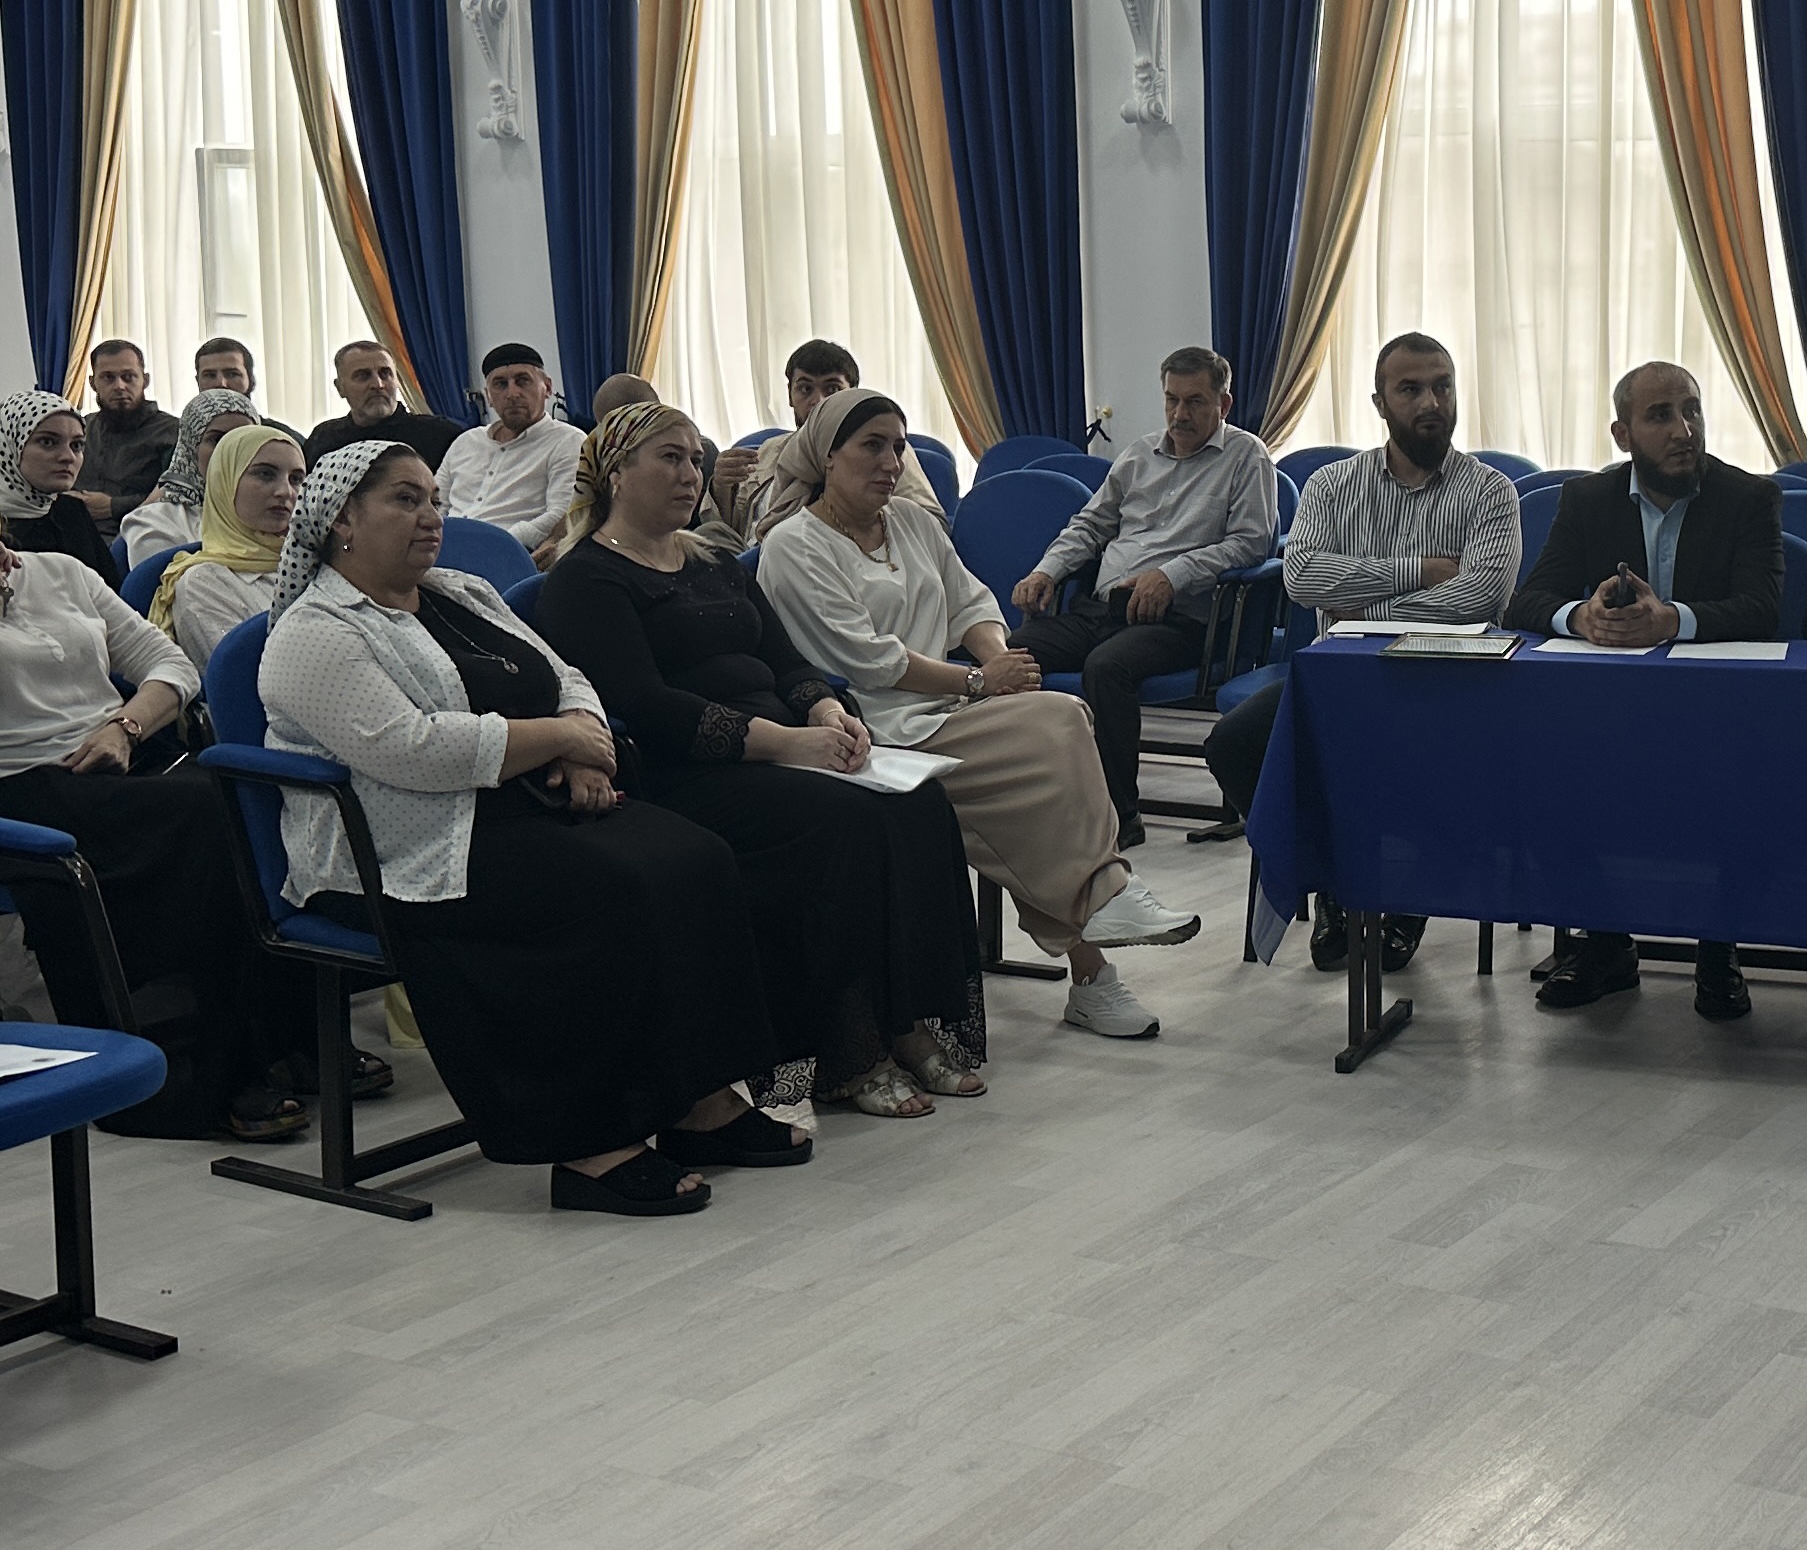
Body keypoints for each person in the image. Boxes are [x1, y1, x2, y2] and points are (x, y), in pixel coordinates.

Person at [261, 443, 813, 1215]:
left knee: (697, 859)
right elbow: (413, 749)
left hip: (519, 804)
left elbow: (566, 676)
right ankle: (592, 1145)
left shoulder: (462, 592)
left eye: (434, 500)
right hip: (405, 846)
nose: (431, 517)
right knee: (604, 890)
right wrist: (558, 740)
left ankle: (702, 1103)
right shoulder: (314, 632)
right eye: (405, 501)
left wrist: (581, 743)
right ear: (341, 522)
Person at [536, 402, 989, 1115]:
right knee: (844, 820)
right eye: (670, 459)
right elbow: (646, 705)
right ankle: (851, 1050)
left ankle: (908, 1019)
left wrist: (826, 711)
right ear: (616, 474)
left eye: (695, 459)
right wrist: (786, 743)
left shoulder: (712, 560)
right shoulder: (584, 579)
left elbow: (785, 659)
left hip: (780, 747)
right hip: (688, 772)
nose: (691, 475)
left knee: (919, 805)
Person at [0, 430, 312, 1141]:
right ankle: (215, 1072)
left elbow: (172, 666)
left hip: (115, 761)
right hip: (10, 783)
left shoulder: (63, 572)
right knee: (204, 814)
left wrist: (124, 729)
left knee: (238, 795)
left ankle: (282, 1039)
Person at [755, 387, 1202, 1041]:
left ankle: (1099, 942)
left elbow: (971, 603)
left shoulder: (910, 523)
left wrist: (1001, 668)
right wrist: (977, 681)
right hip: (866, 727)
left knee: (1055, 728)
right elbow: (868, 658)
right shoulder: (794, 545)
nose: (890, 462)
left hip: (942, 709)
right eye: (871, 446)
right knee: (1055, 735)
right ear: (826, 455)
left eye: (898, 447)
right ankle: (1101, 921)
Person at [1205, 332, 1520, 972]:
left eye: (1442, 386)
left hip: (1444, 681)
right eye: (1411, 389)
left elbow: (1480, 594)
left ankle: (1406, 896)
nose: (1431, 402)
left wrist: (1362, 610)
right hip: (1338, 680)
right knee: (1232, 744)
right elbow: (1303, 578)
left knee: (1409, 760)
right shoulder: (1332, 486)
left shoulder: (1490, 492)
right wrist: (1419, 571)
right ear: (1380, 403)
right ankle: (1333, 881)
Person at [1499, 362, 1783, 1019]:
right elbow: (1527, 601)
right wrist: (1581, 616)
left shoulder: (1749, 497)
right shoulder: (1587, 499)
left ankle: (1718, 947)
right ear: (1622, 435)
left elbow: (1762, 608)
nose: (1684, 430)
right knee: (1539, 775)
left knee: (1753, 781)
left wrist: (1671, 621)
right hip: (1611, 715)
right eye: (1660, 416)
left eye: (1692, 410)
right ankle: (1605, 943)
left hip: (1717, 712)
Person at [1013, 346, 1277, 846]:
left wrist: (1173, 574)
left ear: (1223, 404)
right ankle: (1031, 795)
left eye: (1195, 401)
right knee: (1011, 654)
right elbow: (1090, 525)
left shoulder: (1246, 457)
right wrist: (1047, 570)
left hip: (1180, 621)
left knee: (1107, 668)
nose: (1180, 414)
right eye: (1172, 400)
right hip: (1101, 608)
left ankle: (1120, 814)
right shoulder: (1138, 456)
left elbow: (1251, 543)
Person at [710, 339, 950, 538]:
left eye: (832, 389)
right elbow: (733, 529)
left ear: (853, 395)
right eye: (805, 389)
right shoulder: (769, 449)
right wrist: (721, 488)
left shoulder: (887, 451)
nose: (818, 401)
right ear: (790, 396)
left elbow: (932, 527)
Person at [150, 425, 304, 671]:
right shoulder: (204, 582)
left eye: (296, 479)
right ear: (225, 481)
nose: (285, 491)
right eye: (265, 474)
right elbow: (245, 678)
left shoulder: (309, 562)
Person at [437, 343, 589, 568]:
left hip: (509, 556)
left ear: (547, 387)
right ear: (488, 396)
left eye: (523, 381)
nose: (512, 394)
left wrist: (501, 542)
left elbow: (561, 513)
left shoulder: (567, 441)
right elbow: (435, 501)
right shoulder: (466, 441)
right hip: (442, 551)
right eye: (500, 384)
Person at [0, 391, 121, 587]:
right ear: (10, 445)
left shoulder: (71, 510)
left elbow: (111, 592)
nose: (68, 457)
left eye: (76, 445)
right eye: (48, 442)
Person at [116, 390, 261, 562]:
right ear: (190, 448)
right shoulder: (155, 521)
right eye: (217, 439)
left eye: (244, 439)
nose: (230, 450)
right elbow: (168, 578)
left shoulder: (273, 513)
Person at [303, 340, 464, 470]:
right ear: (340, 388)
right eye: (363, 376)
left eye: (385, 374)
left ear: (398, 381)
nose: (378, 384)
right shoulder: (324, 439)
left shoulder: (439, 435)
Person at [73, 339, 175, 528]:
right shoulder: (80, 429)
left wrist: (114, 506)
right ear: (93, 383)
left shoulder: (172, 432)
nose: (119, 386)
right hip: (73, 531)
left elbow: (179, 497)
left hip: (141, 534)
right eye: (108, 378)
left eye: (128, 377)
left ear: (145, 380)